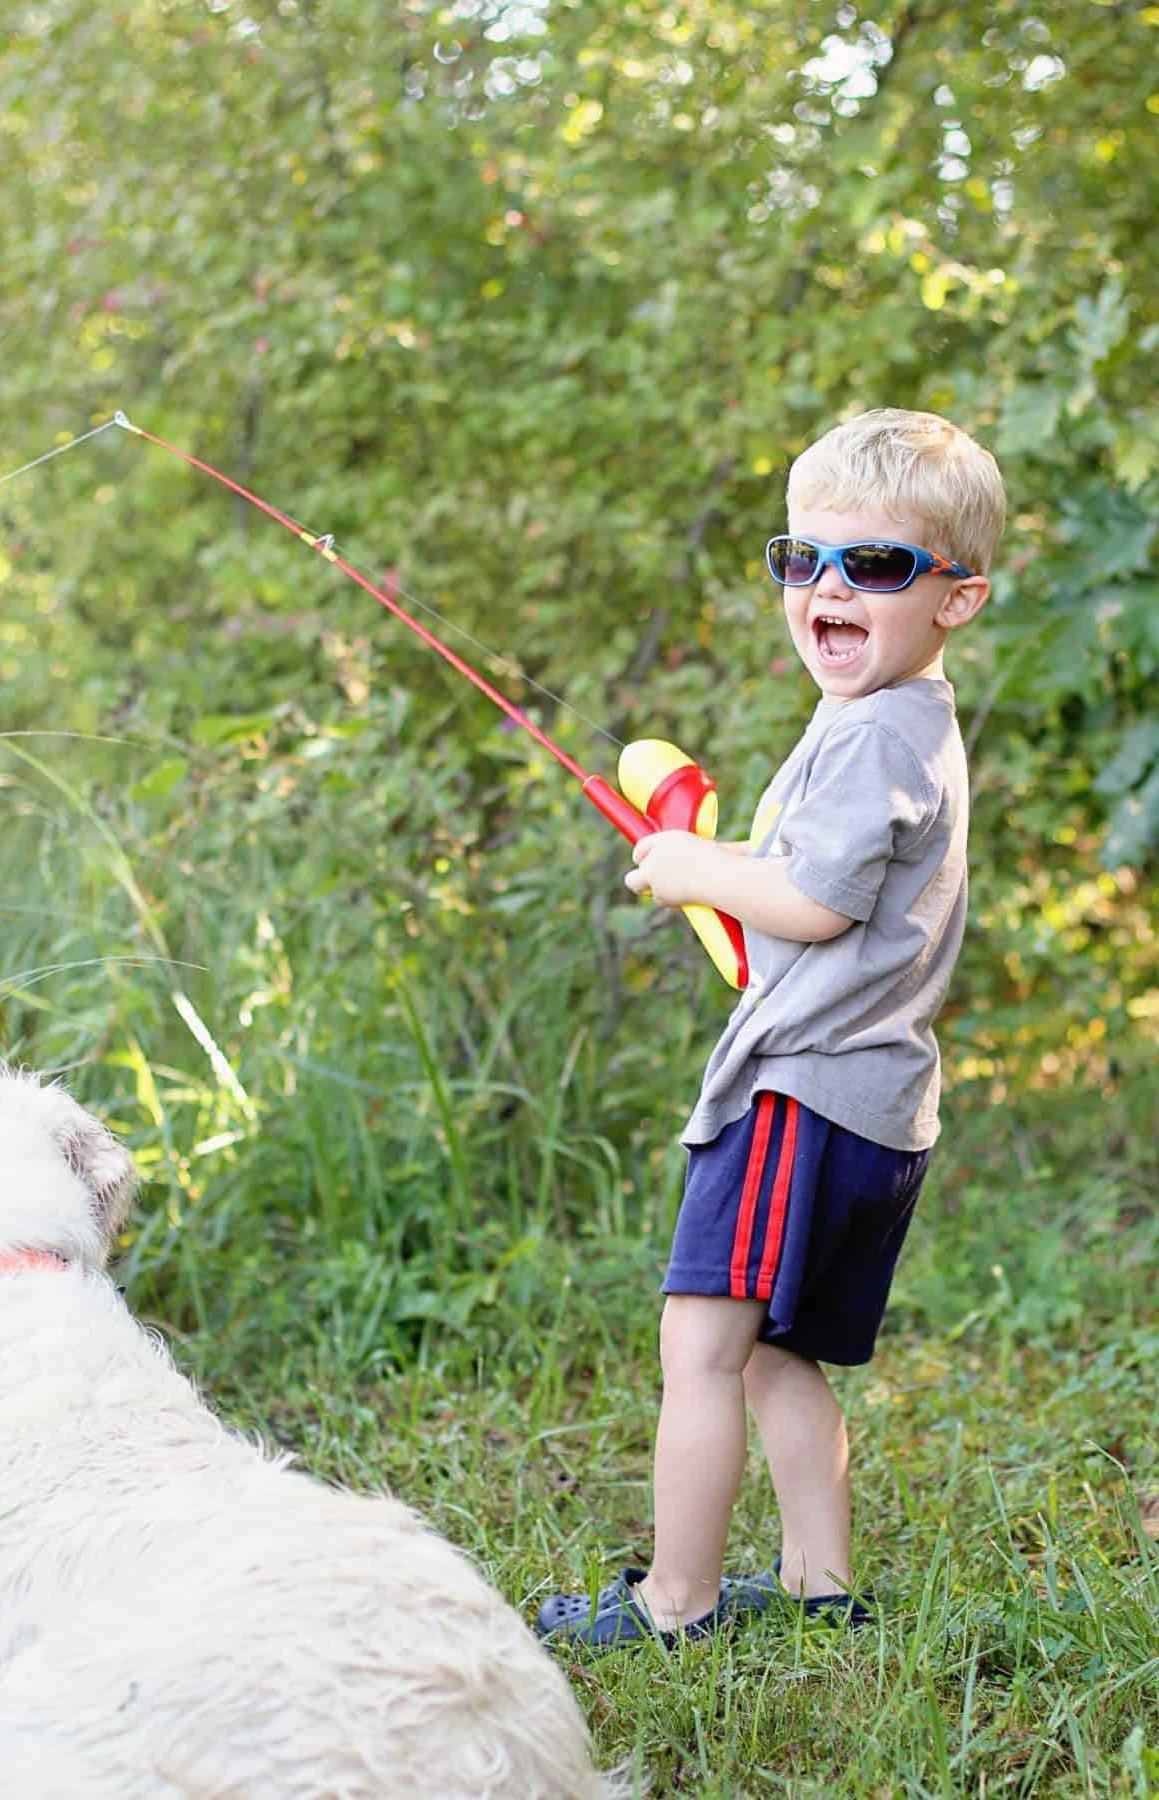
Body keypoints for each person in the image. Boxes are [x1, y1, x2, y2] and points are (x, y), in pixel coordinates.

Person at [536, 408, 1006, 1650]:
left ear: (956, 597)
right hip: (874, 1101)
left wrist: (694, 870)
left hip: (800, 1099)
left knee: (699, 1347)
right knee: (775, 1355)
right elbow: (805, 880)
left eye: (876, 564)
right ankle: (817, 1582)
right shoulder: (902, 723)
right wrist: (709, 857)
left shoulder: (871, 735)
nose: (828, 588)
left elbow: (808, 899)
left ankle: (673, 1602)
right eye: (802, 560)